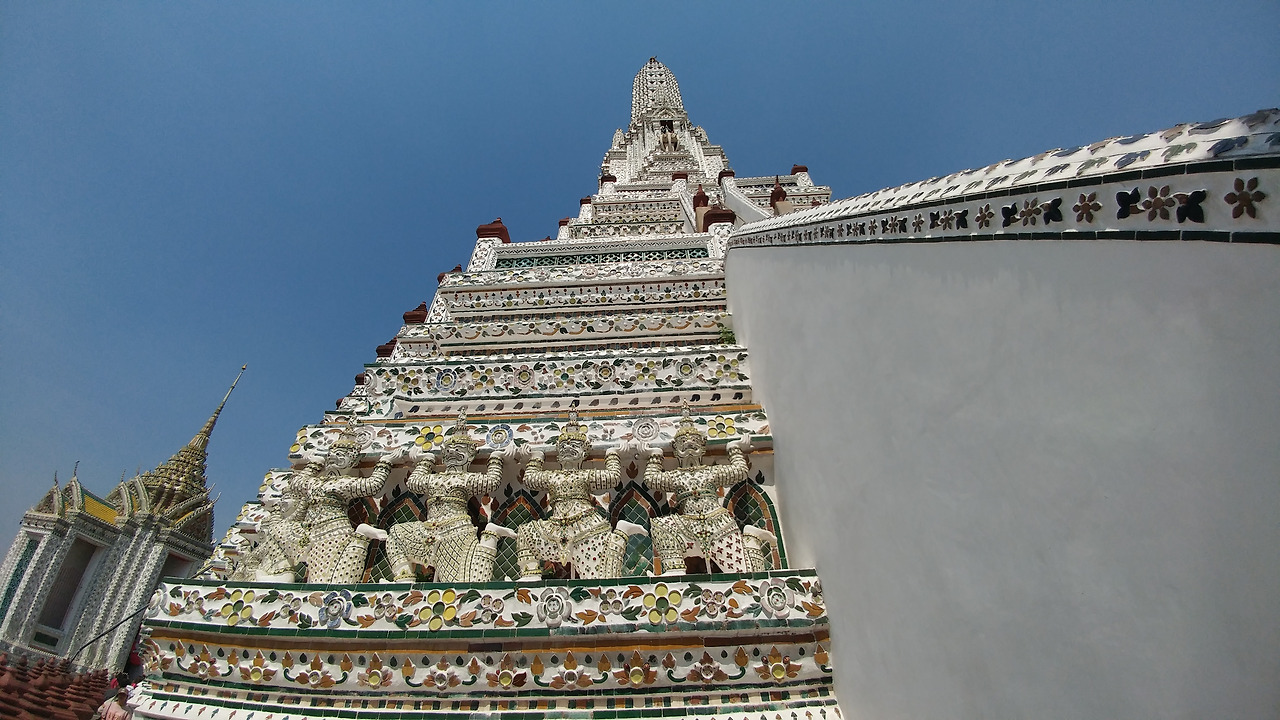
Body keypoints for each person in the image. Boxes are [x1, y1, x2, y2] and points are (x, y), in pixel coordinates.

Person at [641, 403, 774, 575]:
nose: (689, 445)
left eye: (694, 442)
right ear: (675, 449)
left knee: (746, 574)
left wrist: (734, 448)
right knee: (662, 525)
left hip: (718, 525)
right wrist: (656, 455)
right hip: (687, 525)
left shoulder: (712, 472)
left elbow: (740, 471)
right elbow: (651, 479)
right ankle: (675, 571)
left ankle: (752, 538)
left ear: (703, 447)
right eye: (683, 443)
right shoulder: (675, 476)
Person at [384, 414, 517, 582]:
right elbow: (414, 483)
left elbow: (491, 482)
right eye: (449, 451)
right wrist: (426, 460)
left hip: (456, 530)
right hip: (427, 531)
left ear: (470, 456)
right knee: (396, 535)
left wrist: (496, 457)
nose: (453, 453)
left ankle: (490, 534)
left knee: (464, 581)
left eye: (459, 451)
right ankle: (404, 580)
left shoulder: (466, 478)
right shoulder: (433, 479)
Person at [516, 408, 645, 580]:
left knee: (598, 579)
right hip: (554, 529)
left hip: (586, 528)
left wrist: (612, 453)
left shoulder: (586, 475)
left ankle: (621, 532)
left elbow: (612, 477)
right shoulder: (552, 476)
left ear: (584, 453)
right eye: (564, 446)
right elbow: (530, 478)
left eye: (574, 446)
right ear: (557, 455)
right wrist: (537, 455)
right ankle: (530, 576)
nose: (568, 448)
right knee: (526, 533)